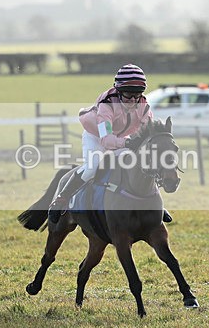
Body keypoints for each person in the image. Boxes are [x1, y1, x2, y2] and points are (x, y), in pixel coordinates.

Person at [47, 64, 172, 224]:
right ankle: (61, 199)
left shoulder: (143, 105)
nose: (133, 100)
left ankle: (154, 204)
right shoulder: (106, 104)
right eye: (128, 95)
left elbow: (147, 131)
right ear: (118, 91)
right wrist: (128, 142)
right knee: (92, 167)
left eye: (137, 95)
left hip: (122, 137)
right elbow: (106, 140)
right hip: (96, 136)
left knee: (142, 162)